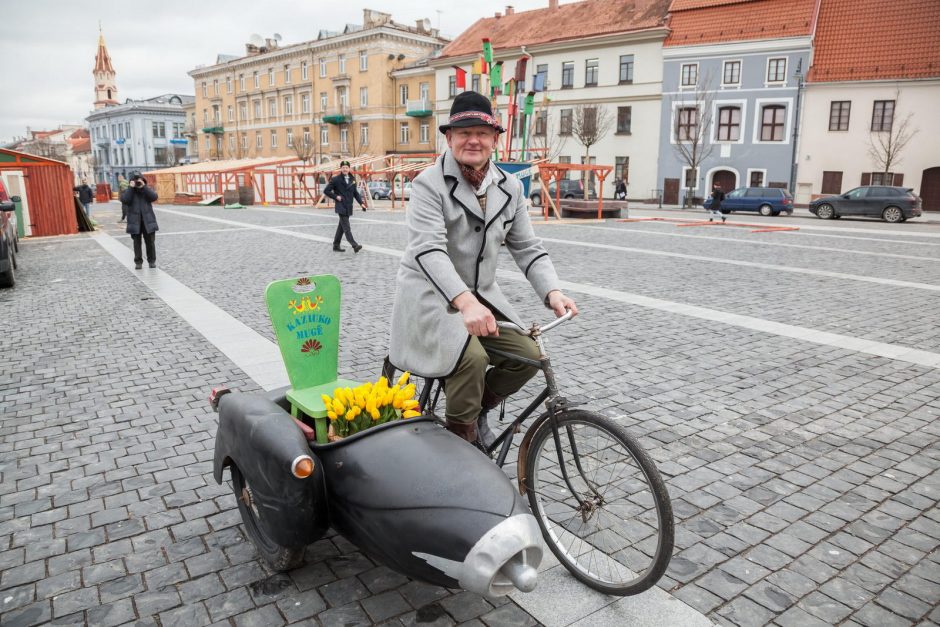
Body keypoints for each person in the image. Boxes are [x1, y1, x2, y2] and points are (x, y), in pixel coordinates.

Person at [388, 91, 578, 448]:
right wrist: (465, 302)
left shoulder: (509, 187)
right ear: (449, 138)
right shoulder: (428, 183)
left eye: (482, 132)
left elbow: (526, 246)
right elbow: (427, 249)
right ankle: (461, 443)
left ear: (494, 139)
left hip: (481, 300)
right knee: (471, 358)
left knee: (528, 355)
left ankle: (474, 412)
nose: (473, 140)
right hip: (431, 300)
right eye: (464, 132)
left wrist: (552, 291)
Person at [323, 160, 366, 253]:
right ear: (341, 169)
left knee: (341, 227)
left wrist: (361, 203)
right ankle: (354, 245)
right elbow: (326, 191)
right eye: (343, 168)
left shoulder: (352, 179)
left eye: (346, 168)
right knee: (346, 227)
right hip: (341, 206)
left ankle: (336, 245)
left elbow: (355, 193)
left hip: (348, 206)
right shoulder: (336, 179)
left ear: (349, 168)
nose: (345, 169)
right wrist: (336, 197)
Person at [120, 171, 159, 269]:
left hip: (147, 220)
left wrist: (144, 187)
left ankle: (151, 261)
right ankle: (138, 262)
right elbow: (125, 200)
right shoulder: (128, 191)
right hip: (135, 221)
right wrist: (131, 188)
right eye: (135, 180)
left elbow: (154, 197)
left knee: (150, 242)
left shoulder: (145, 189)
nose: (137, 182)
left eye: (139, 180)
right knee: (136, 243)